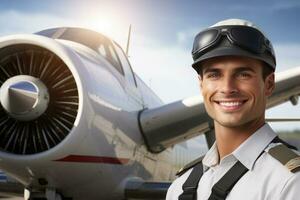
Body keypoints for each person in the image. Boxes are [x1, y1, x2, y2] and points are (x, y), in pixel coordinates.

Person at [166, 19, 300, 200]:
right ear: (201, 85)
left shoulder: (291, 182)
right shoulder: (179, 187)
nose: (227, 88)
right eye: (214, 74)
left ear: (268, 84)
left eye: (243, 74)